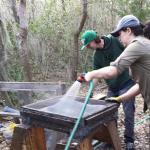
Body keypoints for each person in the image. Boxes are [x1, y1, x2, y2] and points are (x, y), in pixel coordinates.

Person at [81, 30, 135, 149]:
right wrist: (90, 92)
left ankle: (129, 141)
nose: (88, 48)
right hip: (112, 87)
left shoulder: (115, 40)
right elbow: (95, 76)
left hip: (126, 83)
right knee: (109, 115)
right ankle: (111, 139)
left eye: (88, 45)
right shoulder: (97, 56)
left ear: (95, 40)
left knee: (128, 113)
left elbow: (130, 49)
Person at [84, 15, 150, 111]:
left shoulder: (137, 45)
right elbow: (141, 85)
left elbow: (113, 70)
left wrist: (91, 74)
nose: (119, 38)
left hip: (125, 83)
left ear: (128, 30)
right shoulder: (144, 43)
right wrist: (120, 98)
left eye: (120, 34)